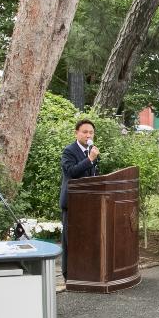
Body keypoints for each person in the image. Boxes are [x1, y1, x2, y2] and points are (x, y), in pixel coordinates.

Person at [59, 119, 101, 277]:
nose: (88, 135)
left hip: (89, 203)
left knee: (87, 239)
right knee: (71, 240)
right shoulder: (69, 151)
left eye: (91, 132)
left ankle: (87, 272)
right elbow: (71, 172)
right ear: (76, 133)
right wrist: (90, 159)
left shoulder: (92, 150)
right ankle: (69, 274)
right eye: (85, 132)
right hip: (72, 203)